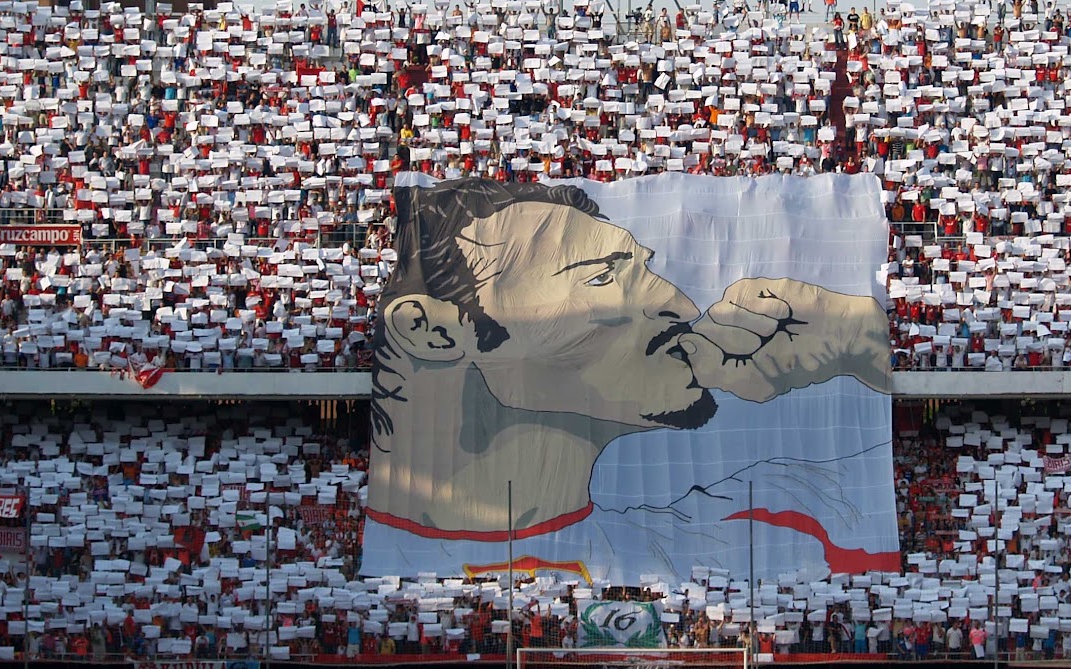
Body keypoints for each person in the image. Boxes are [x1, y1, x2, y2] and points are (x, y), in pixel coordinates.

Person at [363, 178, 895, 580]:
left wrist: (855, 341)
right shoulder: (372, 579)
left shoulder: (758, 530)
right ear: (431, 330)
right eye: (602, 274)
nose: (681, 305)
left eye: (643, 269)